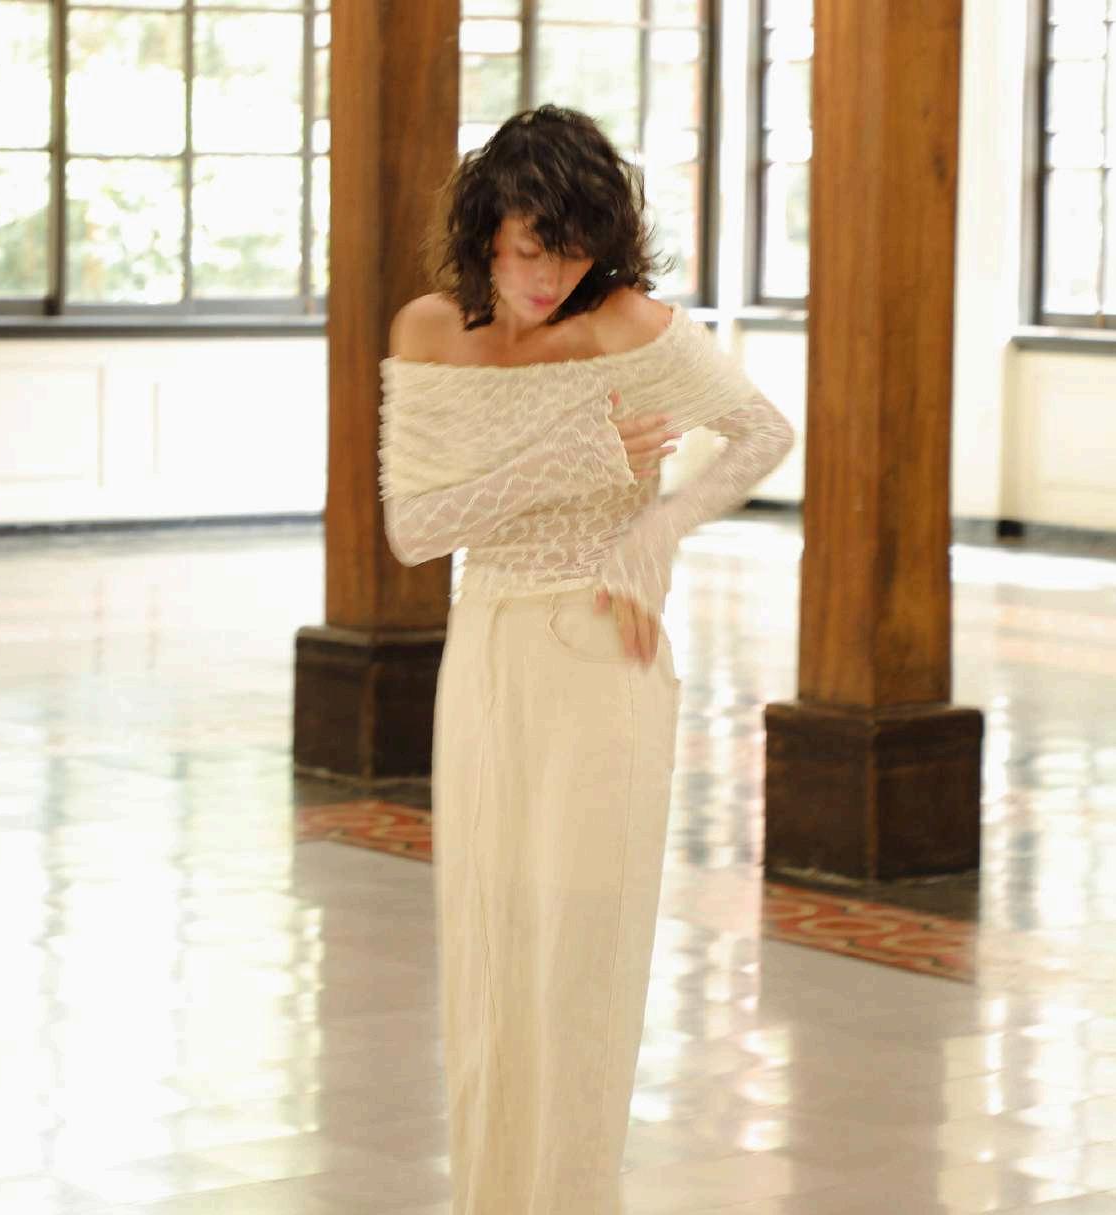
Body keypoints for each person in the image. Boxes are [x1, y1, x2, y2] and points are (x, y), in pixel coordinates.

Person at [378, 105, 793, 1215]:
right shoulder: (430, 332)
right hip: (486, 651)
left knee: (581, 959)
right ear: (485, 232)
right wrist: (575, 455)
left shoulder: (627, 326)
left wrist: (652, 533)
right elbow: (416, 529)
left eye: (567, 254)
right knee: (488, 950)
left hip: (605, 653)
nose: (546, 279)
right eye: (526, 251)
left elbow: (762, 432)